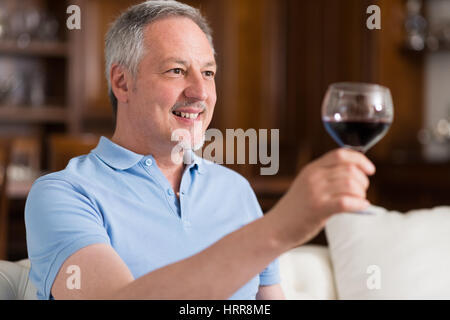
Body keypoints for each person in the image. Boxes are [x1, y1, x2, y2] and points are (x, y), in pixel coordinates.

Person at [25, 0, 375, 300]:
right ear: (122, 82)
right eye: (177, 70)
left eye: (208, 73)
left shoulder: (234, 190)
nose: (200, 92)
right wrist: (280, 228)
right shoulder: (61, 194)